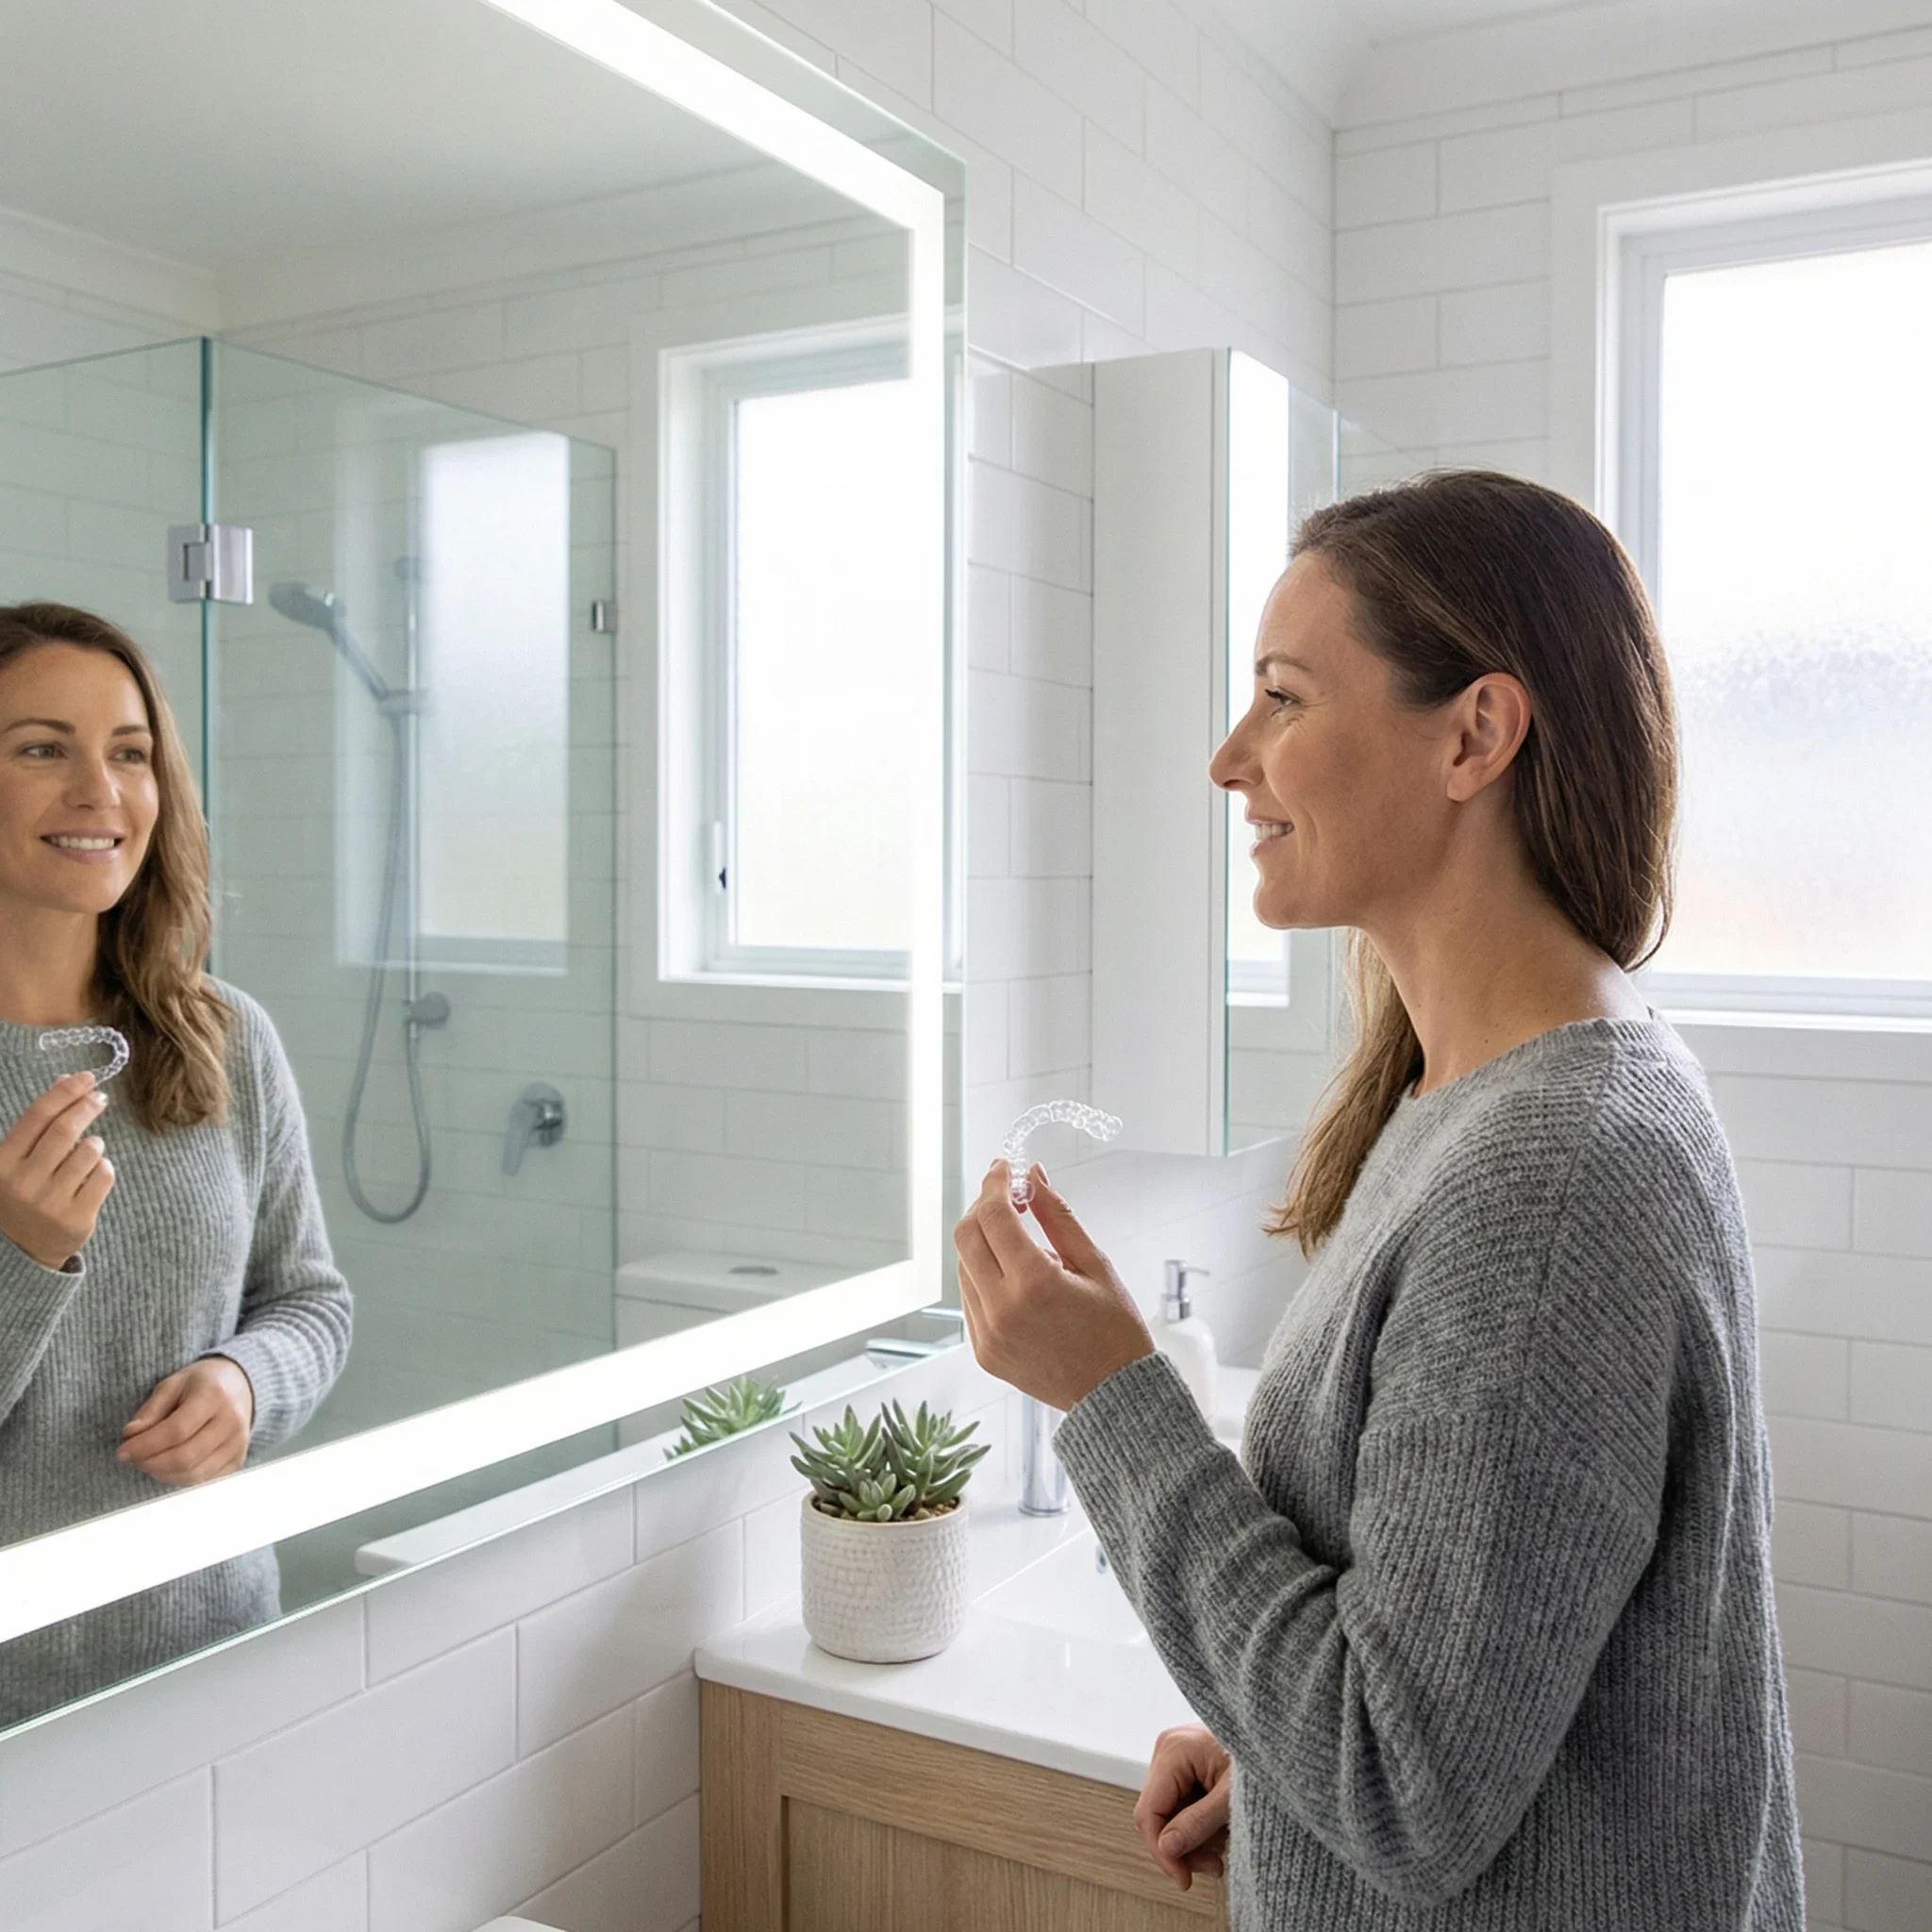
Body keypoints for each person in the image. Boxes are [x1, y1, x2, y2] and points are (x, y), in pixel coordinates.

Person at [954, 473, 1803, 1929]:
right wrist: (1269, 1751)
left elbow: (1399, 1790)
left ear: (1474, 733)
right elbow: (1444, 1672)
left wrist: (1108, 1393)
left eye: (1283, 697)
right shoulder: (1477, 1098)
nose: (1231, 759)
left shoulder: (1553, 1175)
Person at [0, 601, 351, 1726]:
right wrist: (20, 1254)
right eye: (41, 747)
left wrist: (250, 1383)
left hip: (221, 1654)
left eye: (131, 752)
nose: (101, 791)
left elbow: (309, 1300)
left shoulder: (222, 1034)